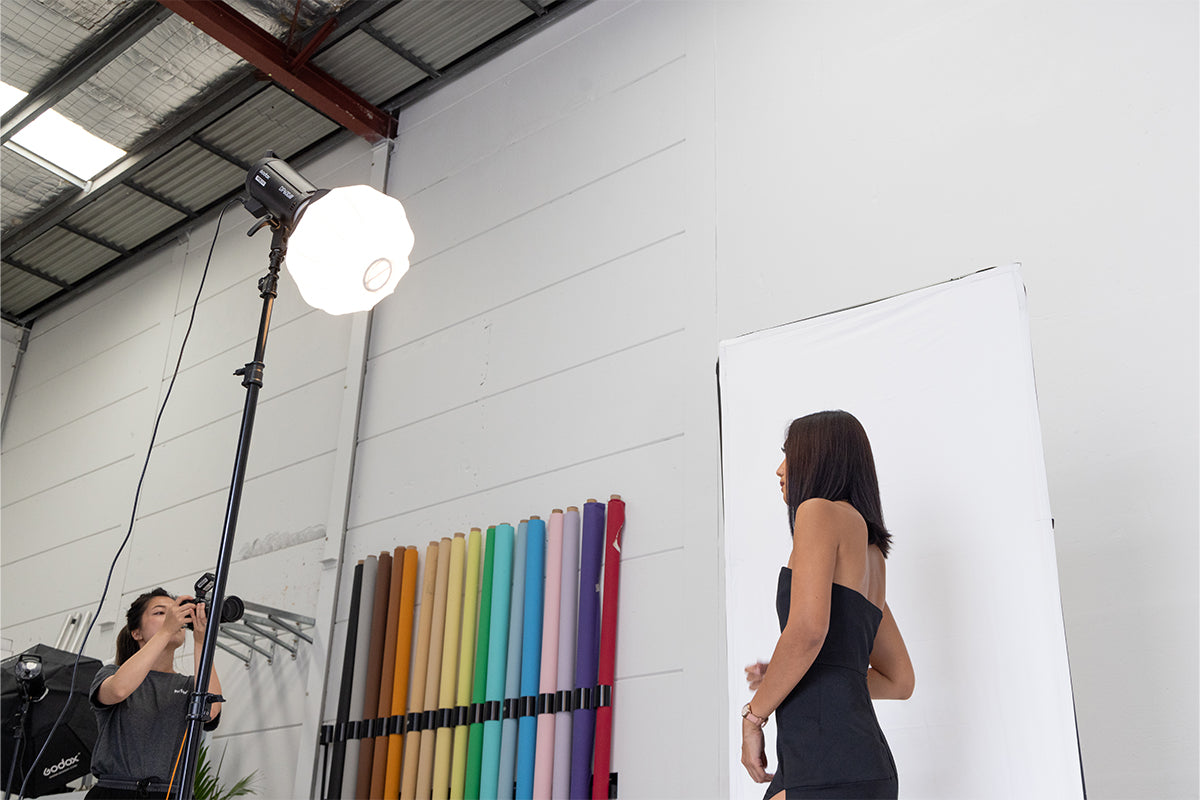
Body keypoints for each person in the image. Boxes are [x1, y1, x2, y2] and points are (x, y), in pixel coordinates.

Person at [740, 410, 914, 800]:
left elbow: (807, 632)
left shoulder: (817, 511)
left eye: (789, 454)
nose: (780, 468)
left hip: (823, 765)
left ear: (818, 457)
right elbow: (899, 680)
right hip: (866, 768)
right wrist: (793, 671)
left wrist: (753, 717)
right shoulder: (872, 554)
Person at [87, 589, 223, 799]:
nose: (172, 617)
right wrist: (165, 631)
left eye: (176, 612)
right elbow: (118, 690)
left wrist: (201, 642)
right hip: (115, 792)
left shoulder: (189, 685)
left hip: (172, 793)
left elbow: (211, 711)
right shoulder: (111, 673)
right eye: (161, 613)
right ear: (136, 632)